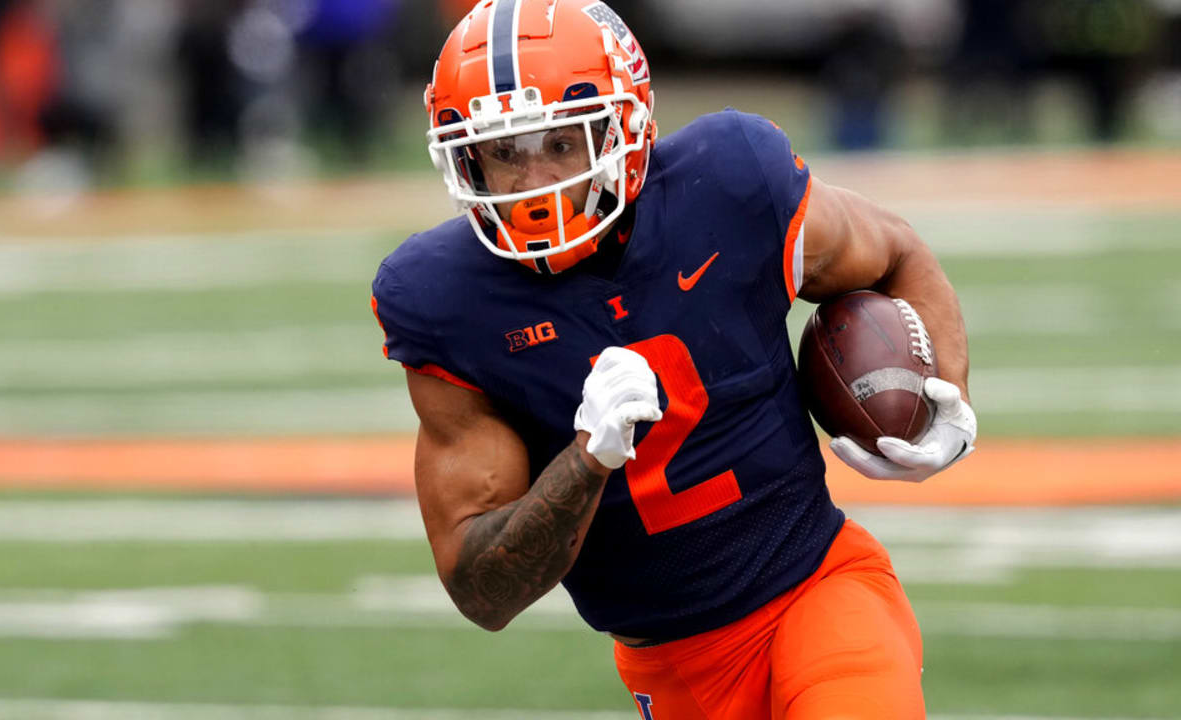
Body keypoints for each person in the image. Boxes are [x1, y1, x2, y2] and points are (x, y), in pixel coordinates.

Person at [370, 1, 977, 717]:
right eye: (504, 153)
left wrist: (947, 400)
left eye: (562, 142)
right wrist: (585, 460)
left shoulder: (727, 184)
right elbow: (483, 593)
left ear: (627, 125)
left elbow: (897, 251)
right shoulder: (446, 300)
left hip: (819, 588)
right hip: (671, 662)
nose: (534, 183)